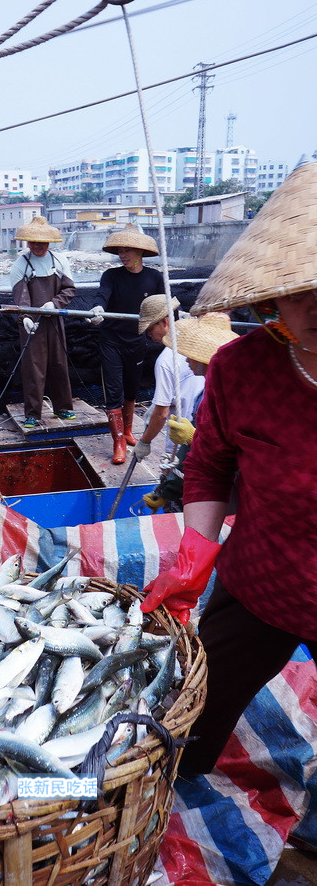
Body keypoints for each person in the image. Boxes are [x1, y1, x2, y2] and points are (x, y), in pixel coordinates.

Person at [140, 159, 317, 775]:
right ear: (271, 297)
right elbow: (210, 466)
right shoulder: (241, 366)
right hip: (258, 584)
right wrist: (195, 554)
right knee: (186, 726)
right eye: (299, 290)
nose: (315, 305)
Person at [141, 313, 238, 513]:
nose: (185, 360)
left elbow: (234, 453)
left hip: (231, 493)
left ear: (204, 358)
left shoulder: (230, 395)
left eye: (190, 355)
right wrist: (167, 492)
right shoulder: (207, 392)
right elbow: (188, 455)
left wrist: (194, 438)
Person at [89, 223, 164, 464]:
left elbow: (165, 304)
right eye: (120, 251)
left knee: (132, 390)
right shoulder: (111, 275)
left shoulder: (154, 277)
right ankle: (118, 442)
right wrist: (99, 307)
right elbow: (103, 293)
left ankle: (129, 431)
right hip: (111, 341)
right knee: (113, 392)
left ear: (140, 252)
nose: (123, 255)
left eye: (128, 251)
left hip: (137, 340)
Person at [10, 216, 76, 429]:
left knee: (59, 363)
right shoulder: (21, 263)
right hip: (32, 323)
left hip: (54, 320)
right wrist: (26, 317)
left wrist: (54, 304)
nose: (38, 246)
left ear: (50, 242)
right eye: (33, 242)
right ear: (27, 243)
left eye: (42, 242)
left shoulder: (59, 261)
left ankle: (63, 407)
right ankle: (32, 413)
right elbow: (21, 296)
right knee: (33, 367)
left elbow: (69, 289)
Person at [133, 295, 204, 467]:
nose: (148, 334)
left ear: (165, 322)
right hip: (203, 430)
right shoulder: (198, 342)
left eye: (150, 328)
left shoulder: (165, 361)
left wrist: (145, 441)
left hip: (182, 440)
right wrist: (157, 404)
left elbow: (162, 414)